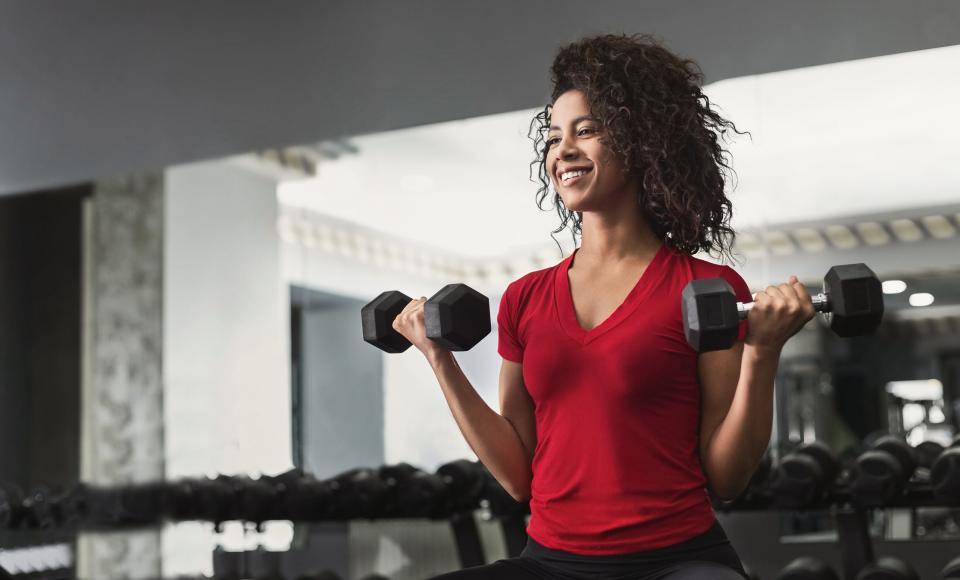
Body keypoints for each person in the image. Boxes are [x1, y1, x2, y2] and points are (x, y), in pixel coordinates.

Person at [392, 33, 816, 580]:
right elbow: (519, 474)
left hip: (677, 562)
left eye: (586, 131)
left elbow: (728, 478)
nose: (562, 150)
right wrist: (438, 358)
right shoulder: (526, 297)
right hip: (552, 563)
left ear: (643, 143)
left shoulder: (705, 289)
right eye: (553, 137)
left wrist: (763, 353)